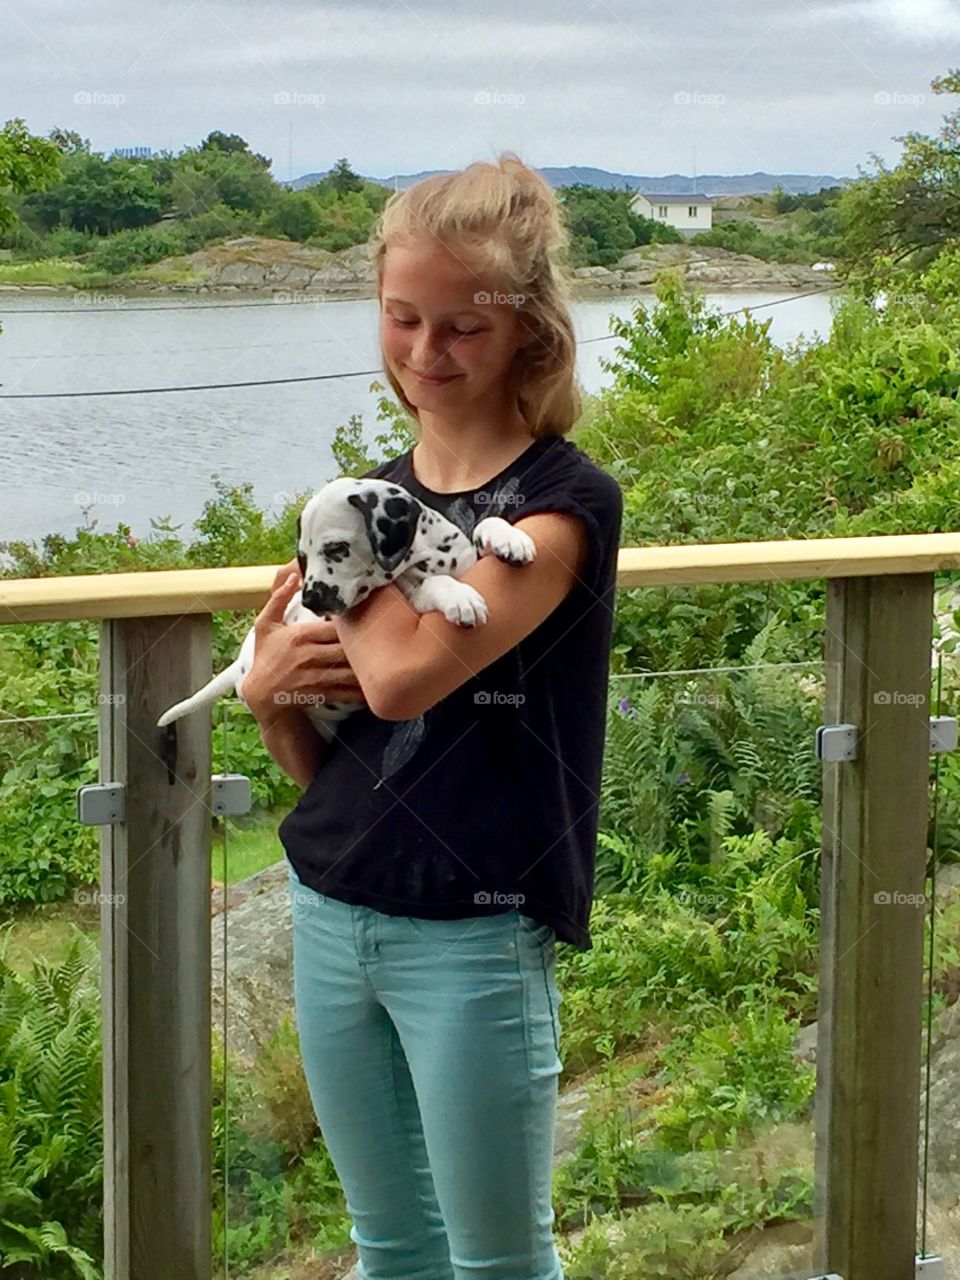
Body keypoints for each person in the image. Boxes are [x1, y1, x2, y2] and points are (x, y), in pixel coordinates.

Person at [242, 152, 623, 1280]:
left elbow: (403, 681)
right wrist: (268, 698)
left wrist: (331, 575)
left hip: (475, 927)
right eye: (401, 318)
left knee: (499, 1259)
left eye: (461, 326)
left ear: (528, 333)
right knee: (391, 1247)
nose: (422, 353)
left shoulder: (559, 502)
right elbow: (334, 756)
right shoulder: (364, 498)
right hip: (332, 901)